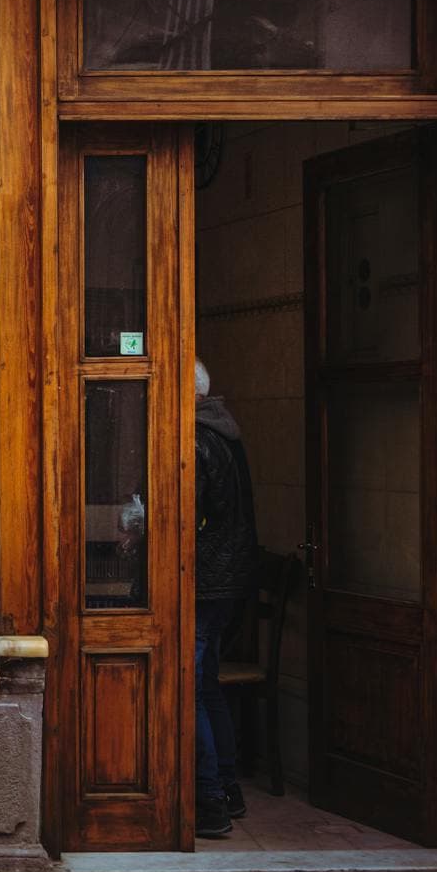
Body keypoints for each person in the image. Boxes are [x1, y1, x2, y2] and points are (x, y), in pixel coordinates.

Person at [193, 359, 259, 839]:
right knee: (208, 686)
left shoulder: (195, 439)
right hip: (226, 581)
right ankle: (230, 788)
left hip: (199, 580)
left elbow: (184, 513)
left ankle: (209, 801)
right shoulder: (227, 434)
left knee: (188, 688)